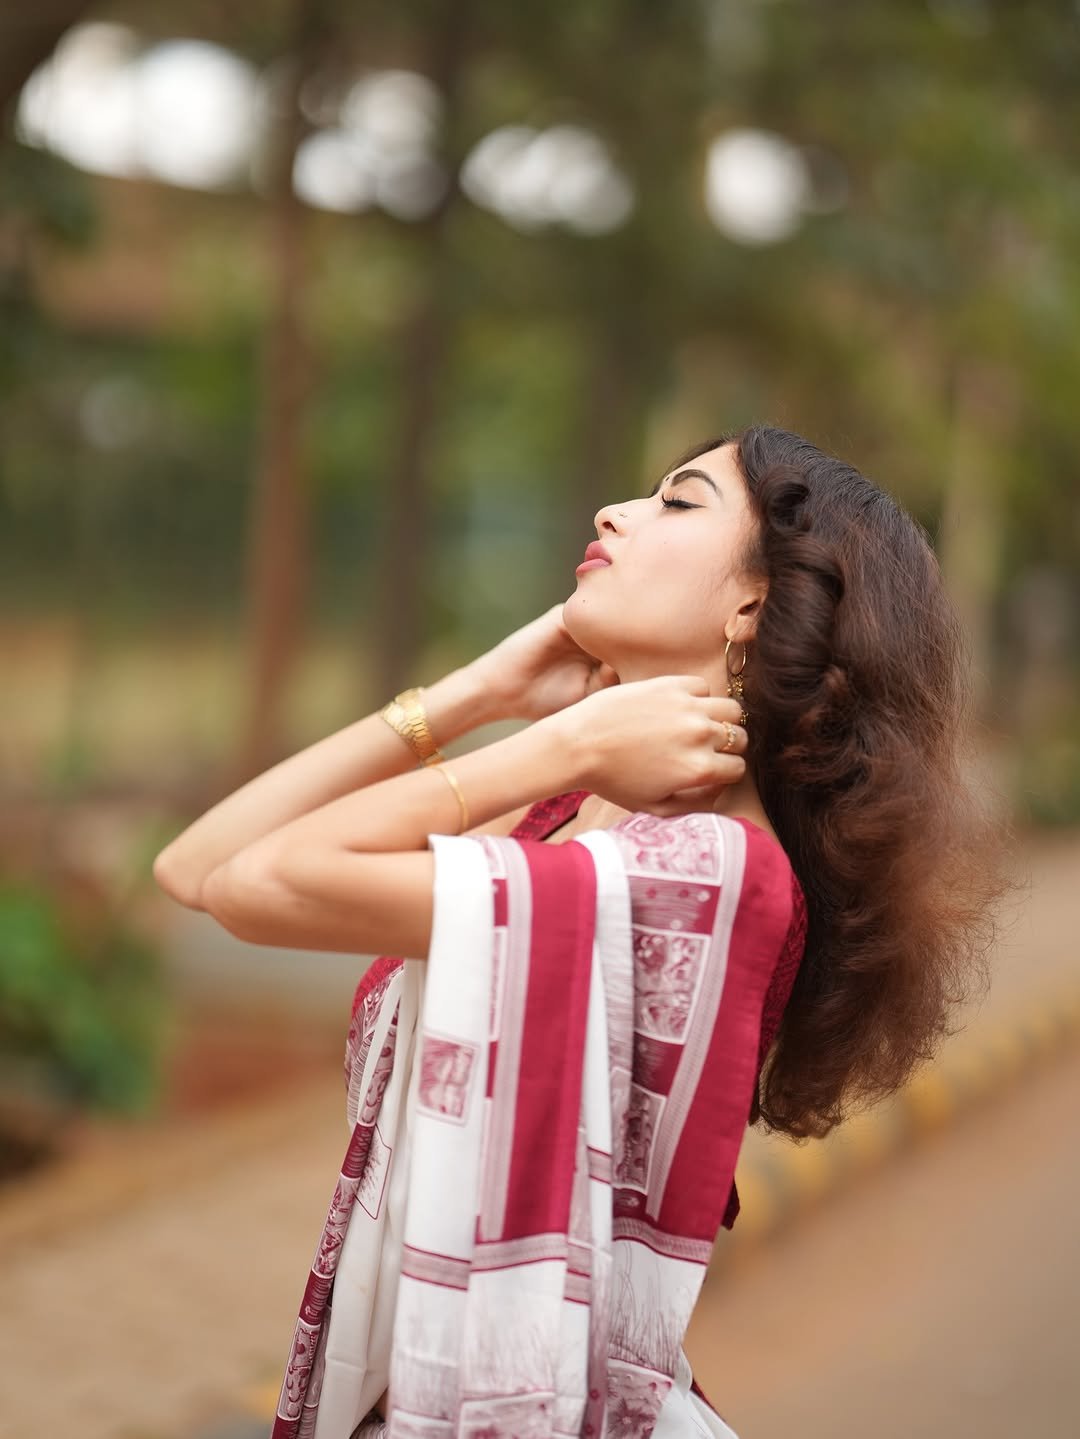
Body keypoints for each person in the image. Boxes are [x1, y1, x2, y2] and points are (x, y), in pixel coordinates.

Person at [154, 425, 1010, 1439]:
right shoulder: (563, 814)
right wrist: (485, 694)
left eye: (677, 501)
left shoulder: (713, 867)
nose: (614, 512)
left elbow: (263, 881)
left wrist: (544, 742)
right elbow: (198, 868)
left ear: (756, 602)